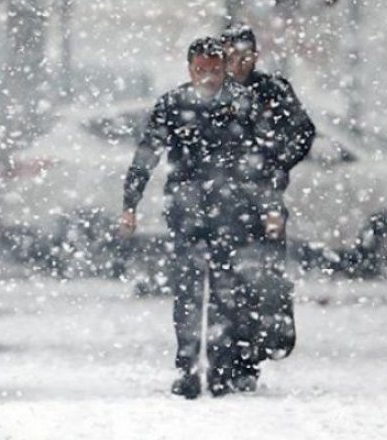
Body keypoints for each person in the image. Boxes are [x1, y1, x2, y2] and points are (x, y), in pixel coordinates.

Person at [120, 37, 263, 399]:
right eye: (202, 70)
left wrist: (263, 205)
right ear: (190, 69)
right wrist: (130, 201)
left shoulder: (242, 104)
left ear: (225, 69)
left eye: (215, 70)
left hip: (231, 212)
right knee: (188, 292)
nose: (209, 78)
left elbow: (261, 161)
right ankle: (188, 367)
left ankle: (220, 366)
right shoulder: (173, 104)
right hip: (188, 211)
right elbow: (147, 152)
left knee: (226, 293)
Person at [220, 25, 315, 365]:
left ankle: (263, 343)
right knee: (225, 274)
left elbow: (303, 132)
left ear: (255, 57)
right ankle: (232, 347)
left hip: (265, 198)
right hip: (222, 200)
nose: (237, 64)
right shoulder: (213, 93)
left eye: (243, 56)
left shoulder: (273, 90)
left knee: (266, 273)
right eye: (231, 56)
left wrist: (277, 163)